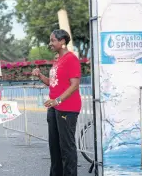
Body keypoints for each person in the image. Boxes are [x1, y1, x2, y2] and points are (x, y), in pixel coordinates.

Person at [32, 29, 81, 176]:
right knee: (54, 147)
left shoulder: (71, 59)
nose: (50, 43)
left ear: (62, 42)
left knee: (67, 147)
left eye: (53, 40)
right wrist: (40, 75)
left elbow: (74, 85)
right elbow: (53, 83)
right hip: (54, 108)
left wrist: (57, 100)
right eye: (50, 40)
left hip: (67, 108)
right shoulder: (57, 60)